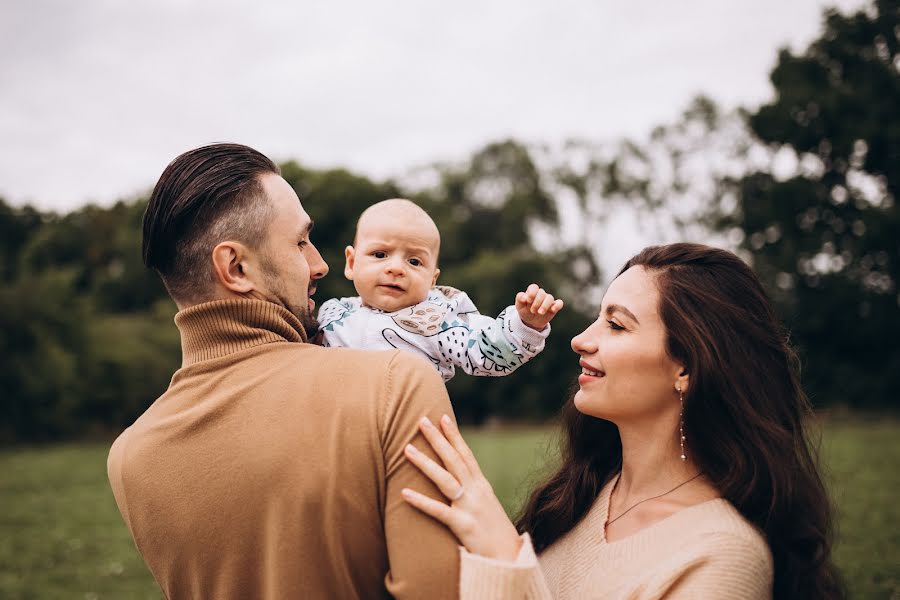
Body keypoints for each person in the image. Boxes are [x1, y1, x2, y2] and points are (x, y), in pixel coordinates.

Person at [107, 143, 461, 599]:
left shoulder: (129, 457)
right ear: (235, 267)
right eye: (300, 242)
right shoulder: (395, 382)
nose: (320, 264)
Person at [401, 243, 845, 599]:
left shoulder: (722, 557)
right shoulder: (579, 497)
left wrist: (502, 556)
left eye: (615, 325)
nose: (579, 339)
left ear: (686, 368)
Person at [317, 198, 564, 381]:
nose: (395, 268)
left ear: (432, 280)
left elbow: (486, 351)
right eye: (380, 254)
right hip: (337, 434)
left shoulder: (438, 320)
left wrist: (525, 325)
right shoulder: (332, 315)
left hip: (407, 433)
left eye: (414, 261)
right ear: (351, 263)